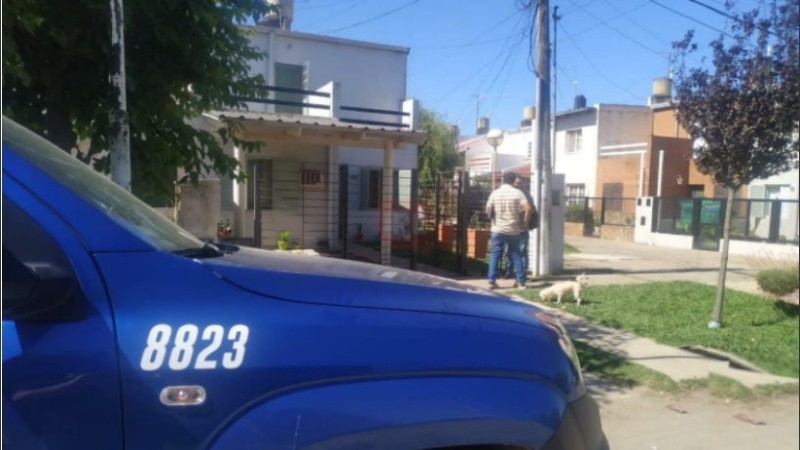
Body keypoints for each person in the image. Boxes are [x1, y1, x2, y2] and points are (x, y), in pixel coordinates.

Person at [485, 172, 531, 289]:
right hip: (513, 229)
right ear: (513, 180)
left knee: (495, 254)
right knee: (516, 255)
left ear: (503, 180)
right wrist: (524, 223)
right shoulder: (518, 193)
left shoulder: (495, 193)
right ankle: (521, 282)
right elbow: (528, 209)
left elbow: (487, 210)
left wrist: (493, 220)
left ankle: (491, 281)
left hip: (497, 229)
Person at [504, 176, 536, 277]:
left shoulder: (525, 195)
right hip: (510, 227)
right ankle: (509, 271)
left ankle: (522, 273)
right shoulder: (510, 193)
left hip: (521, 227)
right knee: (508, 250)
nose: (518, 185)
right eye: (517, 183)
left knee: (521, 251)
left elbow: (531, 209)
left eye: (520, 183)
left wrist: (525, 222)